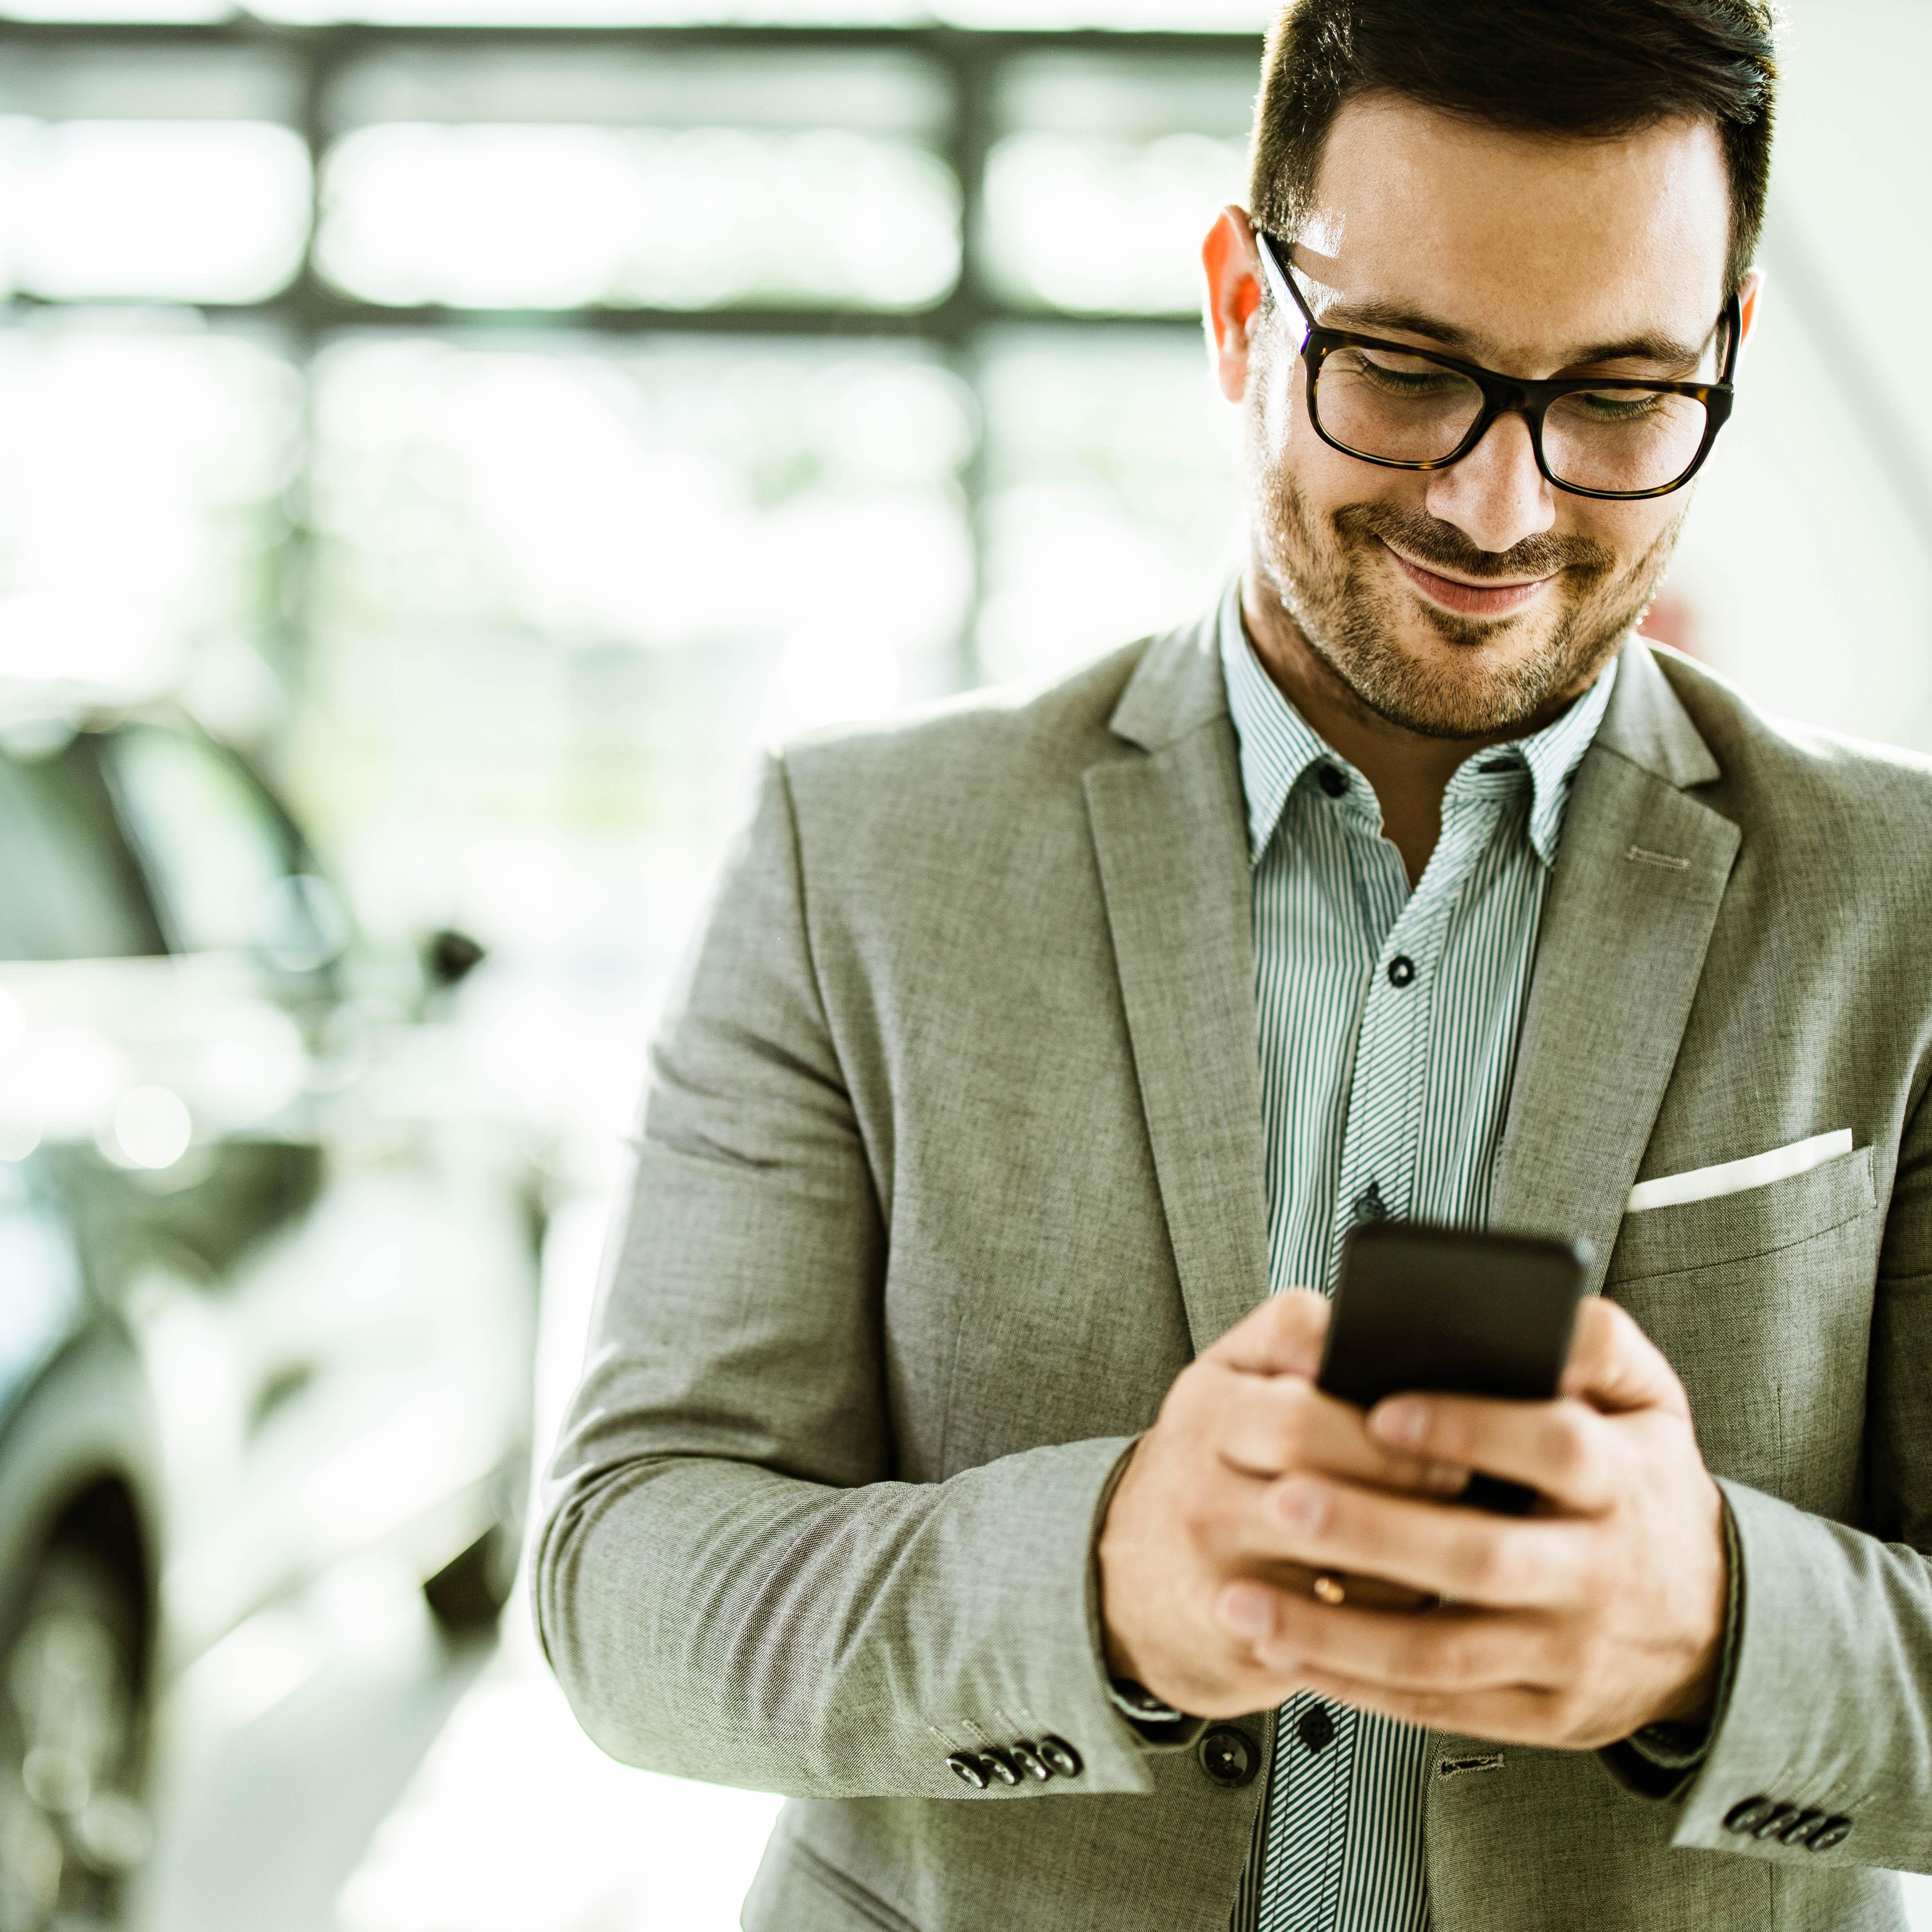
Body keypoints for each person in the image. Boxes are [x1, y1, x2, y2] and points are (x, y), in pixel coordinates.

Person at [534, 2, 1932, 1926]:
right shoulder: (849, 851)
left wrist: (1719, 1626)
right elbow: (628, 1576)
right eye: (1404, 371)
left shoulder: (1905, 901)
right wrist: (1100, 1581)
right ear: (1236, 308)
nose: (1499, 507)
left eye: (1618, 398)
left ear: (1728, 355)